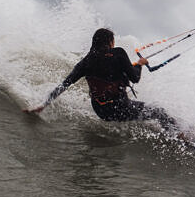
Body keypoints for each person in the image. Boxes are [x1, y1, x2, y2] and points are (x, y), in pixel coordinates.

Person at [25, 28, 177, 130]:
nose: (114, 43)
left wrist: (44, 104)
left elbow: (64, 85)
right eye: (113, 41)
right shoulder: (118, 53)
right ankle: (183, 137)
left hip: (100, 111)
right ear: (110, 42)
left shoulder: (85, 62)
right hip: (119, 108)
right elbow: (135, 78)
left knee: (142, 110)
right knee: (159, 111)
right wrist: (140, 64)